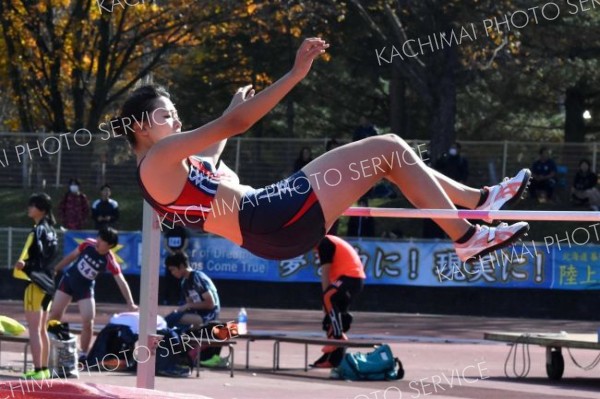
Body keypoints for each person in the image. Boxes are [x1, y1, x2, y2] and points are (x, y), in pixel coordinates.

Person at [116, 37, 530, 263]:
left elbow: (213, 153)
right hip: (270, 214)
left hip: (274, 235)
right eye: (167, 116)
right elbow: (235, 126)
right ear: (139, 126)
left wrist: (229, 112)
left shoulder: (164, 171)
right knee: (387, 146)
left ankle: (478, 201)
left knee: (391, 159)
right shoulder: (156, 161)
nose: (177, 122)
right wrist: (295, 74)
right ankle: (468, 236)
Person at [48, 227, 138, 362]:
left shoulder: (109, 260)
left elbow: (121, 281)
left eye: (102, 240)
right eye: (98, 237)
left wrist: (130, 302)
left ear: (109, 245)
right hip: (68, 281)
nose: (98, 241)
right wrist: (56, 269)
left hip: (85, 288)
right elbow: (71, 257)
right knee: (55, 313)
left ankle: (83, 353)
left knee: (88, 320)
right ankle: (48, 345)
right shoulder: (88, 244)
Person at [13, 193, 58, 380]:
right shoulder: (52, 231)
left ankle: (39, 370)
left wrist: (24, 265)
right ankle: (45, 369)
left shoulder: (37, 231)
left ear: (42, 210)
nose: (29, 208)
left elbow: (30, 257)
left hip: (35, 283)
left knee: (34, 329)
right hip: (48, 285)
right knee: (42, 329)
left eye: (33, 205)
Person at [311, 235, 366, 368]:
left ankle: (337, 337)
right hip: (349, 279)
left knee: (328, 297)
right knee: (332, 319)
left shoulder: (325, 243)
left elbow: (325, 274)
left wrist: (325, 300)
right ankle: (333, 359)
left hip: (350, 278)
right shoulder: (324, 243)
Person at [163, 253, 220, 330]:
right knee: (174, 318)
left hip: (209, 316)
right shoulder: (184, 283)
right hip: (197, 314)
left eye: (173, 269)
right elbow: (190, 305)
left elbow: (210, 304)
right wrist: (184, 307)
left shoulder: (197, 277)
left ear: (181, 266)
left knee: (174, 318)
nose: (172, 273)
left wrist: (188, 305)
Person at [162, 225, 190, 304]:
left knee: (182, 280)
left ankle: (181, 299)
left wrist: (180, 251)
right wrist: (172, 252)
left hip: (180, 258)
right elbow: (165, 242)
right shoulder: (169, 230)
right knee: (168, 280)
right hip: (171, 257)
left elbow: (186, 241)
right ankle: (166, 299)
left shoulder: (183, 230)